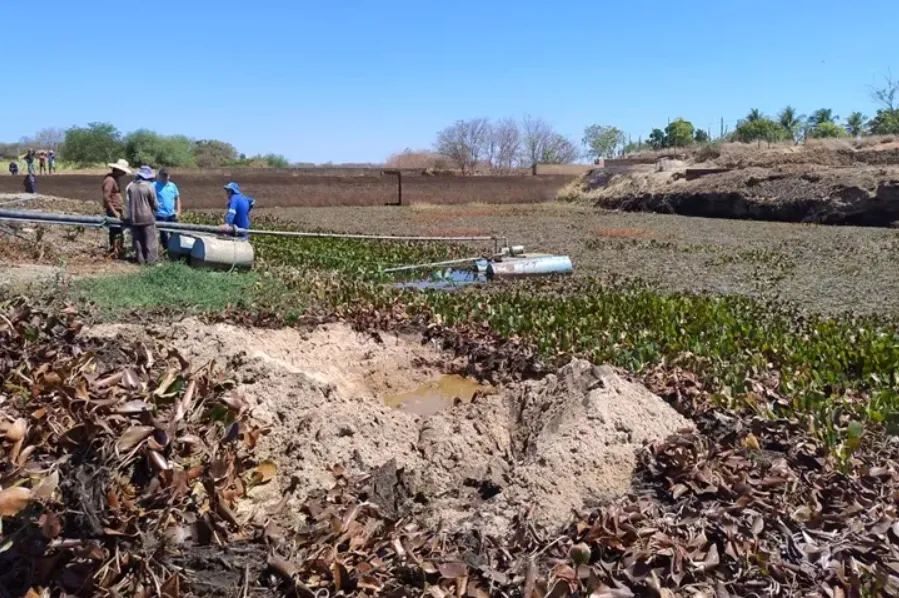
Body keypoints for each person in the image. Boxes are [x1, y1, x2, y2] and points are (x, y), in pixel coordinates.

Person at [125, 166, 160, 265]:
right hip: (147, 217)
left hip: (134, 217)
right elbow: (154, 204)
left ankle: (140, 260)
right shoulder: (149, 187)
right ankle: (152, 261)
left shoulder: (131, 187)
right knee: (150, 240)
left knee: (138, 240)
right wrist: (156, 208)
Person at [102, 159, 131, 258]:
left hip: (117, 209)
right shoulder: (110, 180)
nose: (124, 173)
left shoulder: (115, 179)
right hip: (112, 210)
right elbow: (106, 197)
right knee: (115, 231)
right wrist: (114, 211)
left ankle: (117, 250)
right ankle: (115, 251)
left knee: (118, 230)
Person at [154, 167, 181, 251]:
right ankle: (166, 251)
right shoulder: (155, 185)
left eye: (166, 175)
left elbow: (177, 199)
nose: (165, 177)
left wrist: (178, 211)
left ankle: (176, 251)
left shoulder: (172, 186)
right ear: (160, 176)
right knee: (164, 235)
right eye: (163, 176)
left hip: (171, 214)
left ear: (169, 176)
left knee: (175, 234)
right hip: (160, 215)